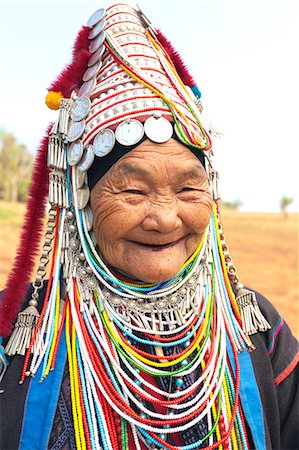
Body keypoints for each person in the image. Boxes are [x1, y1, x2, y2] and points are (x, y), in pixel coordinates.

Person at [0, 3, 298, 449]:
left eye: (189, 190)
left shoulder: (257, 329)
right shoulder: (17, 333)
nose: (164, 218)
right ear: (83, 202)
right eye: (133, 192)